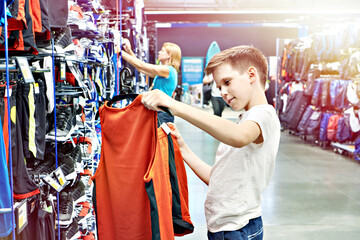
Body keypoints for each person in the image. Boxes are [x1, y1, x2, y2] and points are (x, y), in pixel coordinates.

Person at [141, 45, 281, 240]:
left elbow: (238, 137)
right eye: (219, 87)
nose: (223, 92)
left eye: (227, 82)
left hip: (238, 231)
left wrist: (174, 105)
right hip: (224, 229)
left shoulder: (263, 115)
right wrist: (183, 148)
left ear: (251, 75)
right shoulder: (247, 118)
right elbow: (216, 179)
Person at [121, 38, 181, 123]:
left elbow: (142, 66)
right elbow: (141, 68)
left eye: (162, 50)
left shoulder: (168, 70)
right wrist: (128, 50)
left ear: (169, 55)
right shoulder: (164, 72)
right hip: (159, 112)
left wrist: (120, 52)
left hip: (162, 114)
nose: (159, 52)